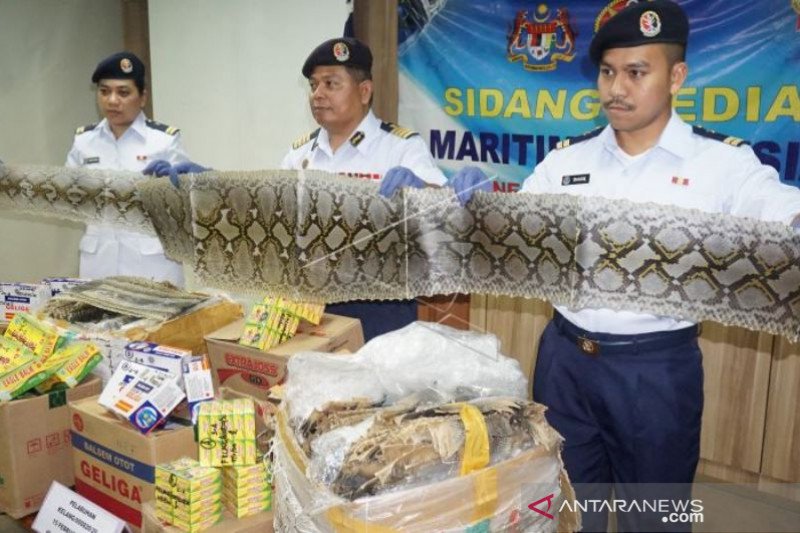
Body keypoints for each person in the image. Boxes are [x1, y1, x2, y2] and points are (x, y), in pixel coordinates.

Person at [514, 1, 800, 531]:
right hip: (564, 362)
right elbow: (512, 230)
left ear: (677, 76)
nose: (615, 88)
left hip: (655, 374)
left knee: (658, 518)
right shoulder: (566, 161)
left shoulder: (723, 166)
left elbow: (784, 215)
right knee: (571, 507)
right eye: (607, 72)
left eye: (636, 72)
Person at [281, 37, 447, 341]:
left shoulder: (400, 148)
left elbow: (444, 208)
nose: (318, 94)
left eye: (331, 84)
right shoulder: (300, 154)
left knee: (375, 388)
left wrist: (421, 188)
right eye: (314, 85)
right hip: (312, 302)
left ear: (364, 91)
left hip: (381, 304)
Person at [66, 51, 189, 285]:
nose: (112, 100)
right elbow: (65, 195)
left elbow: (186, 198)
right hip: (99, 263)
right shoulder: (84, 141)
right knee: (96, 320)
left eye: (123, 92)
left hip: (153, 263)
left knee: (159, 322)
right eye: (104, 91)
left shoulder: (163, 140)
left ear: (142, 97)